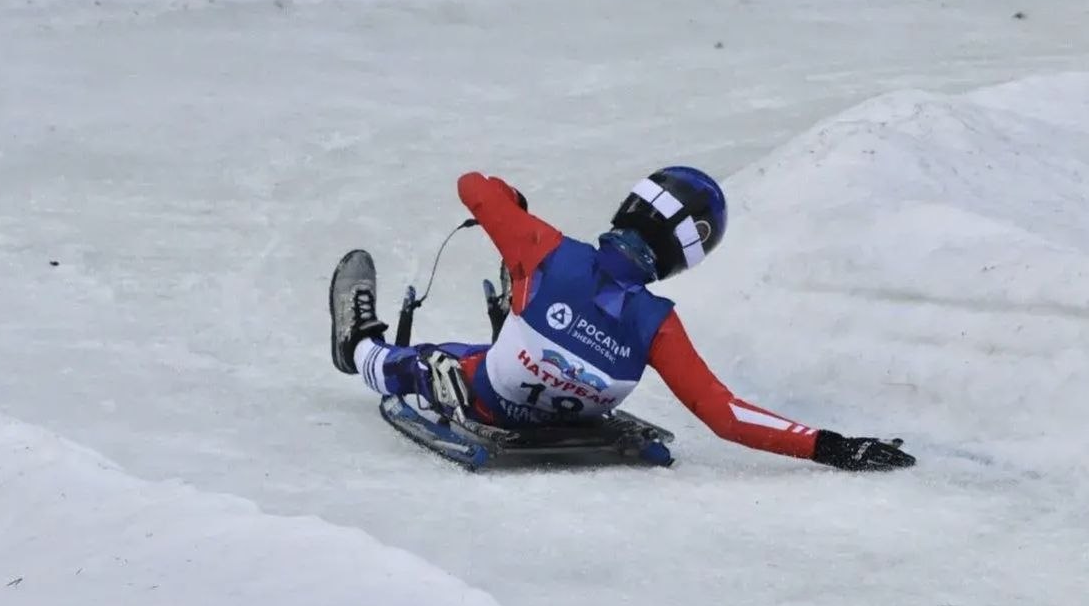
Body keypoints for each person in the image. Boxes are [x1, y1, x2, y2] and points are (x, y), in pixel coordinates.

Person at [329, 168, 916, 471]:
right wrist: (831, 446)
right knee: (504, 344)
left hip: (487, 398)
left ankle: (359, 347)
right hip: (575, 418)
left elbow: (471, 187)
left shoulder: (546, 249)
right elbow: (725, 416)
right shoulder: (657, 322)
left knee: (443, 360)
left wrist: (513, 203)